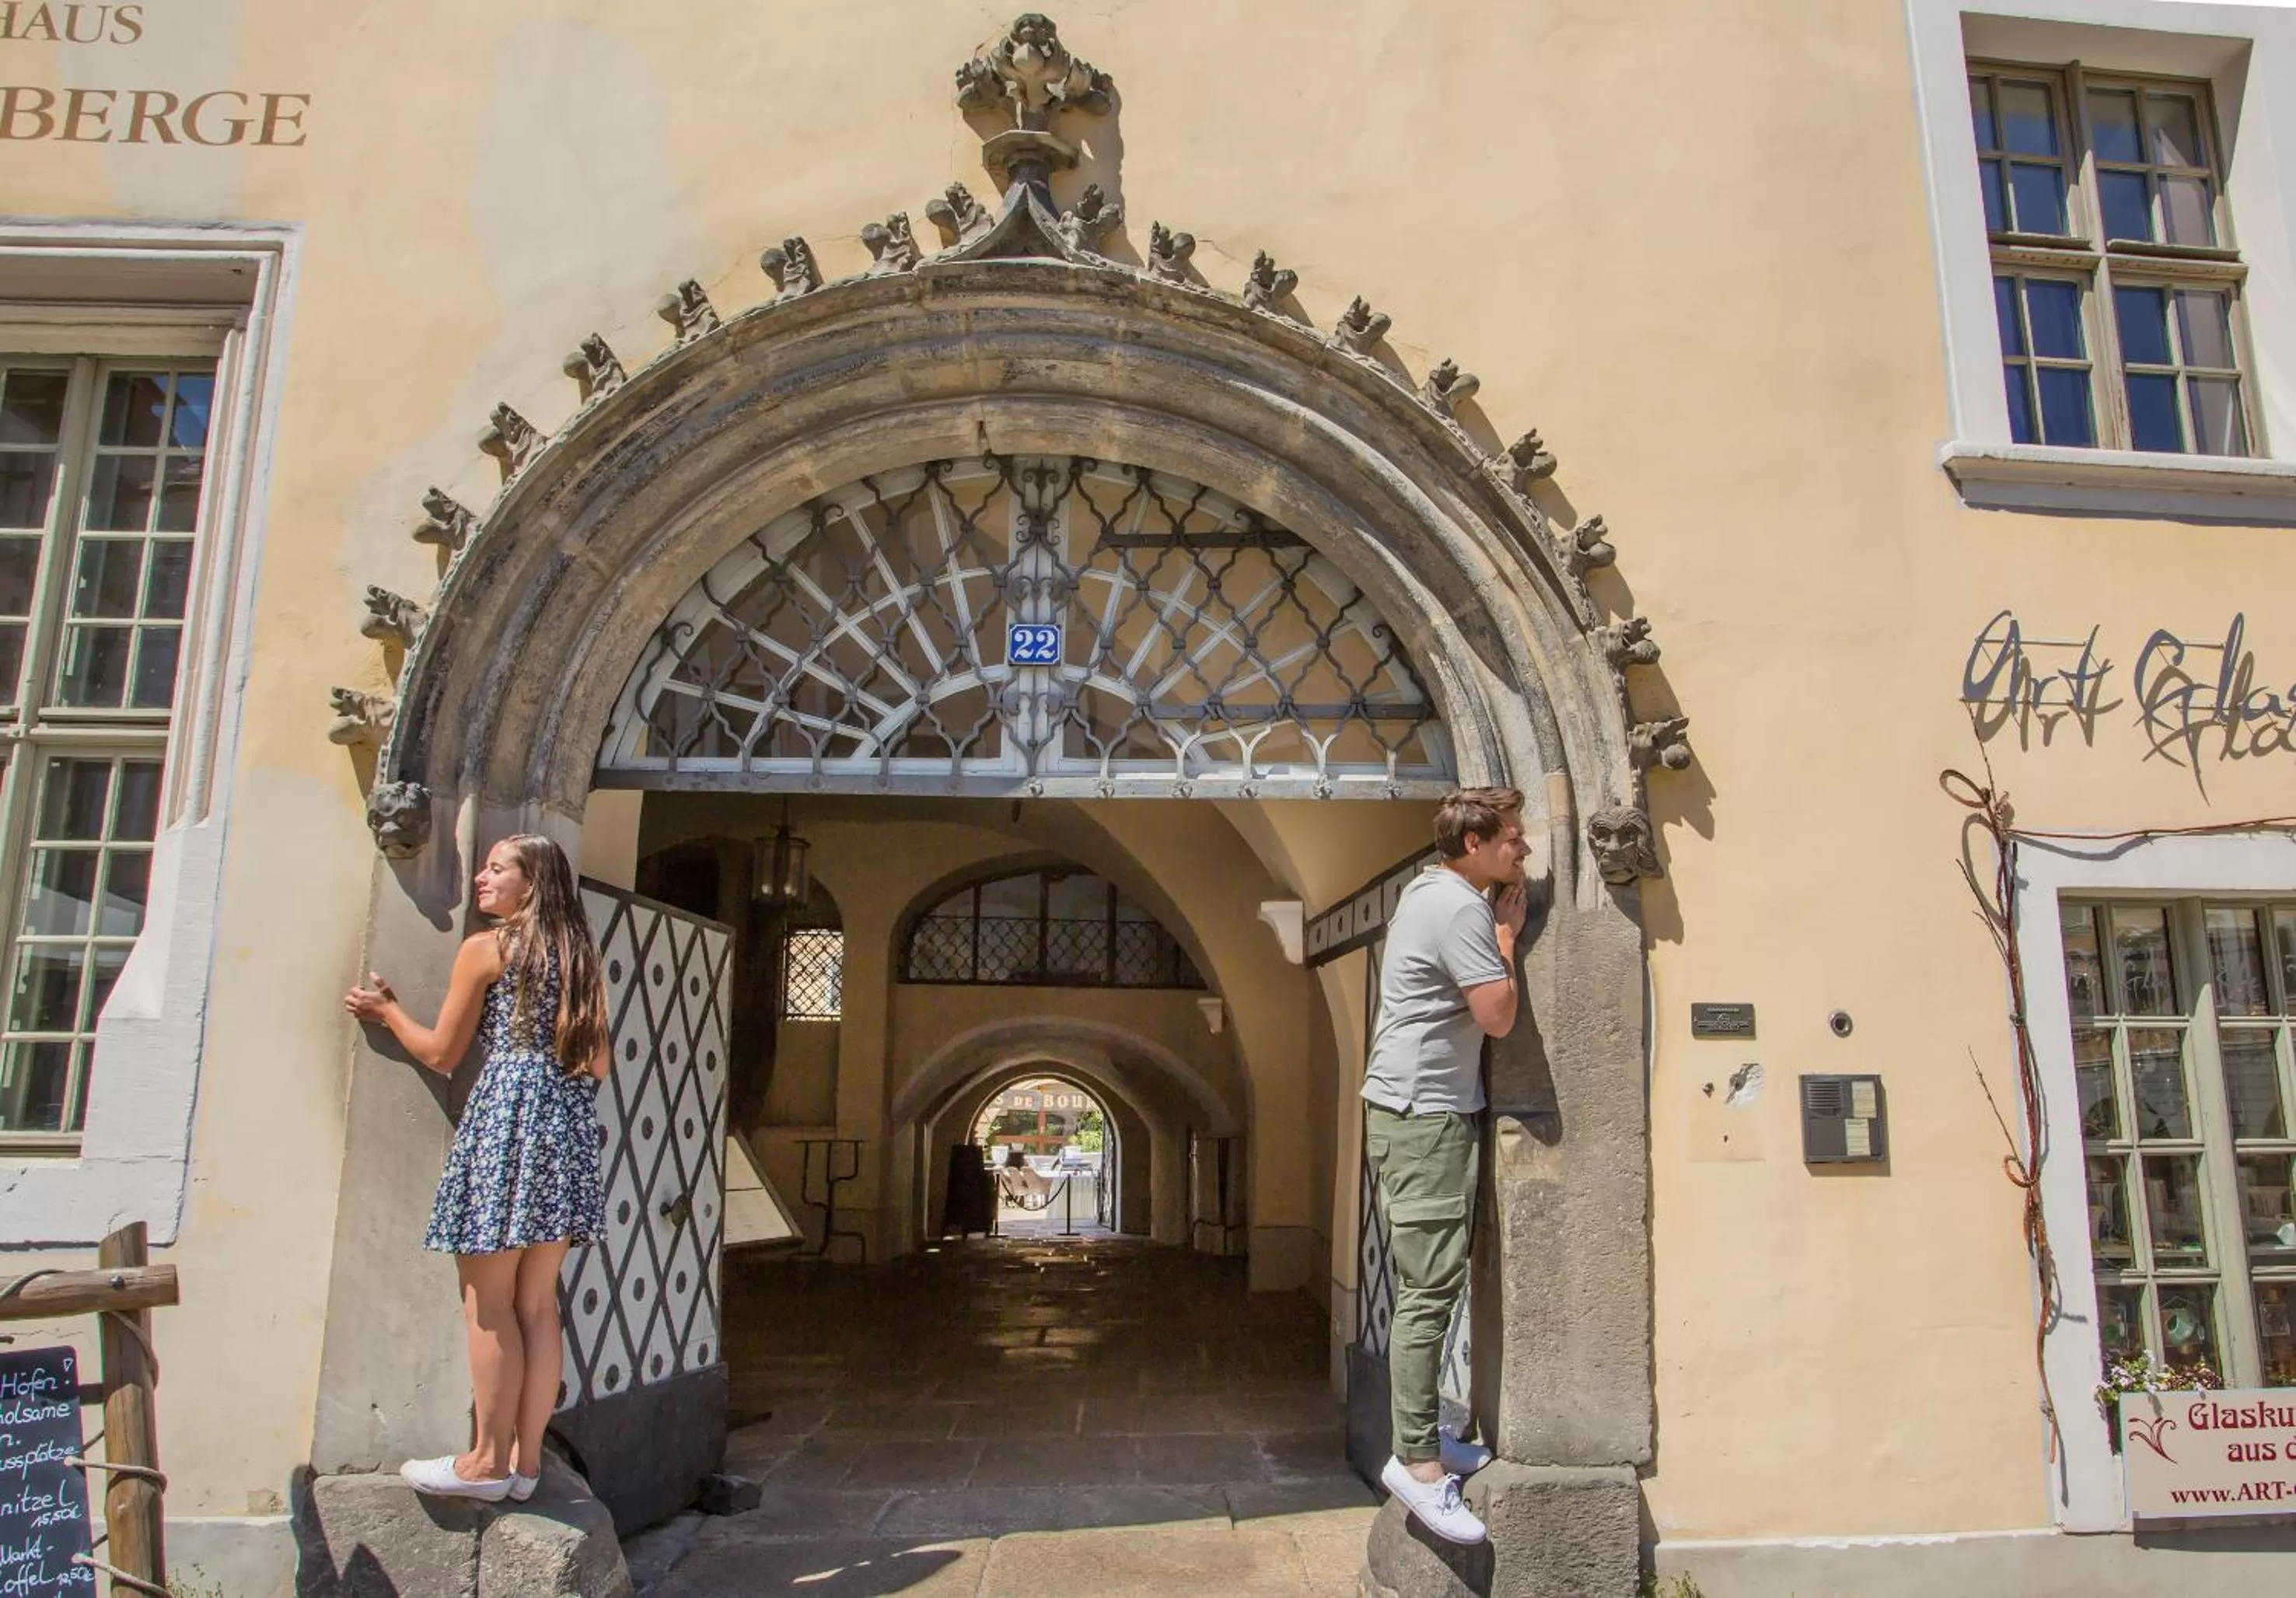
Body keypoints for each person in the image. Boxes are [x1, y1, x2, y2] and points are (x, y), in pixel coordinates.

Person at [344, 834, 611, 1503]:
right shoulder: (579, 958)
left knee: (487, 1306)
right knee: (537, 1306)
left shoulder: (488, 949)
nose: (482, 879)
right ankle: (526, 1464)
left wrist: (387, 1011)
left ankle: (485, 1463)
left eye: (497, 869)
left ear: (531, 883)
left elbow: (440, 1051)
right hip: (566, 1131)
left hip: (505, 1127)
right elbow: (598, 1064)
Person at [1361, 787, 1531, 1544]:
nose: (1521, 851)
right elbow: (1496, 1016)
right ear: (1471, 843)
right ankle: (1418, 1465)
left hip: (1420, 1109)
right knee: (1427, 1292)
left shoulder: (1427, 894)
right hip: (1423, 1114)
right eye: (1511, 840)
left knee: (1433, 1284)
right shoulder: (1460, 908)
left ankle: (1425, 1435)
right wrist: (1504, 941)